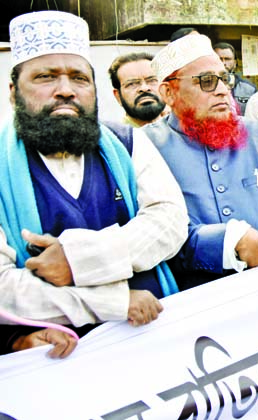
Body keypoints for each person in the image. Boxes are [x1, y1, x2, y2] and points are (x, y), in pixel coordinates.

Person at [0, 11, 188, 348]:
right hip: (61, 356)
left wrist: (79, 261)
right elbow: (3, 287)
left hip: (151, 334)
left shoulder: (128, 142)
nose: (65, 90)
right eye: (45, 77)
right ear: (14, 92)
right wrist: (111, 304)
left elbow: (169, 223)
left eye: (79, 78)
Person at [145, 34, 258, 289]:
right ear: (168, 92)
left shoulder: (256, 134)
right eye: (206, 81)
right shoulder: (146, 147)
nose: (222, 90)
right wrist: (228, 242)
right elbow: (152, 229)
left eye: (224, 78)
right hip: (196, 298)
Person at [108, 52, 167, 127]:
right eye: (132, 84)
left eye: (152, 80)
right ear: (118, 96)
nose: (144, 88)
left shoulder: (182, 132)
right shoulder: (116, 137)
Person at [214, 42, 257, 116]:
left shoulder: (249, 89)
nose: (223, 63)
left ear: (234, 63)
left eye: (227, 59)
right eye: (219, 59)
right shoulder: (203, 87)